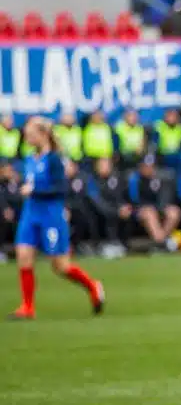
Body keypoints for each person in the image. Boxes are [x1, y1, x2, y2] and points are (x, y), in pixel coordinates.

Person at [9, 117, 105, 320]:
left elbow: (61, 188)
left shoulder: (54, 159)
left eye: (30, 133)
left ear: (43, 134)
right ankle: (27, 307)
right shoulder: (29, 158)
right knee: (23, 257)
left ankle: (93, 286)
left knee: (60, 266)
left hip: (50, 216)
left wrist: (35, 190)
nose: (27, 137)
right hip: (30, 214)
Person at [128, 155, 181, 251]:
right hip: (139, 210)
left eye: (151, 166)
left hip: (157, 209)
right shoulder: (134, 179)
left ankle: (160, 241)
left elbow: (165, 198)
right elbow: (134, 200)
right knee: (150, 213)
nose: (149, 169)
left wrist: (160, 208)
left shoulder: (160, 180)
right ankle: (161, 243)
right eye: (146, 166)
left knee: (174, 212)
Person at [91, 157, 131, 256]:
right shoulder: (92, 182)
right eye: (102, 165)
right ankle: (109, 244)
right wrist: (117, 211)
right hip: (96, 212)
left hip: (114, 210)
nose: (105, 167)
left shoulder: (117, 179)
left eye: (107, 165)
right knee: (108, 216)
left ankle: (121, 244)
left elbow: (121, 197)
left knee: (127, 214)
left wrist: (124, 207)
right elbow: (98, 203)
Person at [63, 160, 104, 254]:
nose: (67, 169)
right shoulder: (61, 180)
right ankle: (64, 246)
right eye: (66, 167)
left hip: (82, 210)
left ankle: (87, 245)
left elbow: (88, 196)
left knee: (88, 218)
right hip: (66, 210)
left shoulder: (83, 178)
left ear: (75, 167)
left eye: (69, 166)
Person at [0, 162, 21, 254]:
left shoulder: (14, 183)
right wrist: (5, 208)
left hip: (15, 212)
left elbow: (18, 197)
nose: (9, 172)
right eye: (6, 170)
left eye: (10, 170)